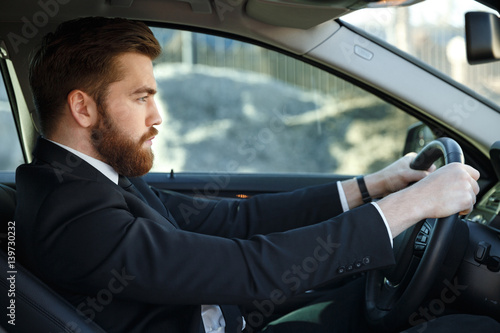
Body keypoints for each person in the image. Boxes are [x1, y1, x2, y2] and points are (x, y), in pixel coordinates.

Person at [14, 16, 499, 333]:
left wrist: (373, 186)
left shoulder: (96, 176)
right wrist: (412, 205)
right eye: (141, 98)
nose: (157, 116)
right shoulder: (74, 218)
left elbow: (230, 223)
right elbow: (247, 268)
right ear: (83, 107)